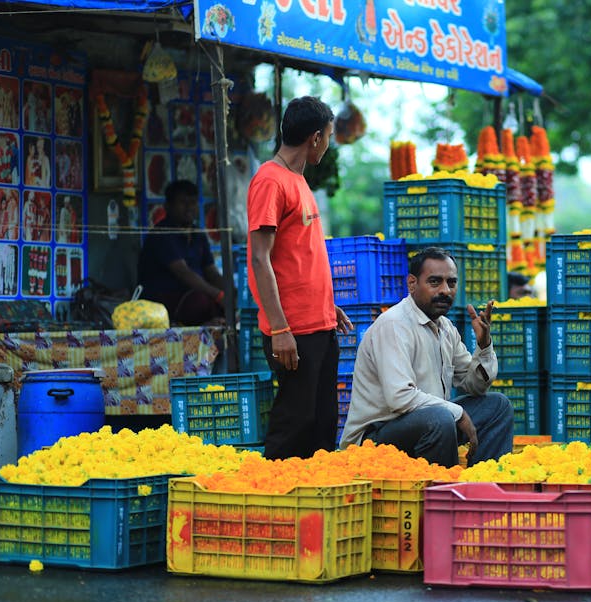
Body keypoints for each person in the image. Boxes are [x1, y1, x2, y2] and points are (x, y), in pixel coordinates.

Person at [246, 96, 352, 460]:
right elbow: (260, 259)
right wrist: (279, 329)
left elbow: (297, 256)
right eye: (330, 135)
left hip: (318, 324)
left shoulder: (298, 181)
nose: (329, 143)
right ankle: (272, 499)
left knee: (322, 426)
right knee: (294, 423)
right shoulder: (270, 181)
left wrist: (327, 306)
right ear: (316, 138)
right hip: (292, 331)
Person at [339, 247, 514, 466]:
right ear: (412, 284)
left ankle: (482, 486)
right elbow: (400, 397)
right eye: (435, 282)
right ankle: (444, 492)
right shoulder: (395, 325)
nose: (445, 290)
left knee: (498, 406)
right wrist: (457, 413)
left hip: (428, 425)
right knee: (439, 418)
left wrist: (484, 345)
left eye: (451, 283)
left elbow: (475, 387)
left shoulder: (445, 327)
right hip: (374, 439)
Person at [137, 179, 227, 326]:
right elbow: (183, 272)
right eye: (183, 203)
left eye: (193, 203)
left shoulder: (198, 234)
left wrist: (230, 292)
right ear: (168, 206)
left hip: (194, 295)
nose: (189, 208)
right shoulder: (162, 234)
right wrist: (218, 295)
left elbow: (211, 271)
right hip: (163, 300)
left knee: (224, 300)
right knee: (202, 302)